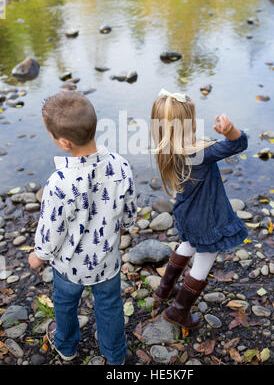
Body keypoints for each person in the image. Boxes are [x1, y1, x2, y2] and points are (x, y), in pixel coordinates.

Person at [28, 91, 136, 364]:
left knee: (65, 304)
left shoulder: (60, 182)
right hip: (107, 261)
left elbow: (51, 228)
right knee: (110, 307)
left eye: (51, 136)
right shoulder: (121, 166)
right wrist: (122, 228)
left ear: (64, 142)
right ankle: (115, 356)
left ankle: (66, 345)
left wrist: (39, 254)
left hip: (68, 265)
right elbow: (129, 212)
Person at [150, 88, 248, 329]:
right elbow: (238, 145)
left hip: (185, 213)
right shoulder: (201, 153)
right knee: (204, 260)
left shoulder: (166, 149)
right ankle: (178, 311)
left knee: (188, 244)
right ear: (190, 125)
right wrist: (231, 131)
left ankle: (165, 288)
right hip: (205, 219)